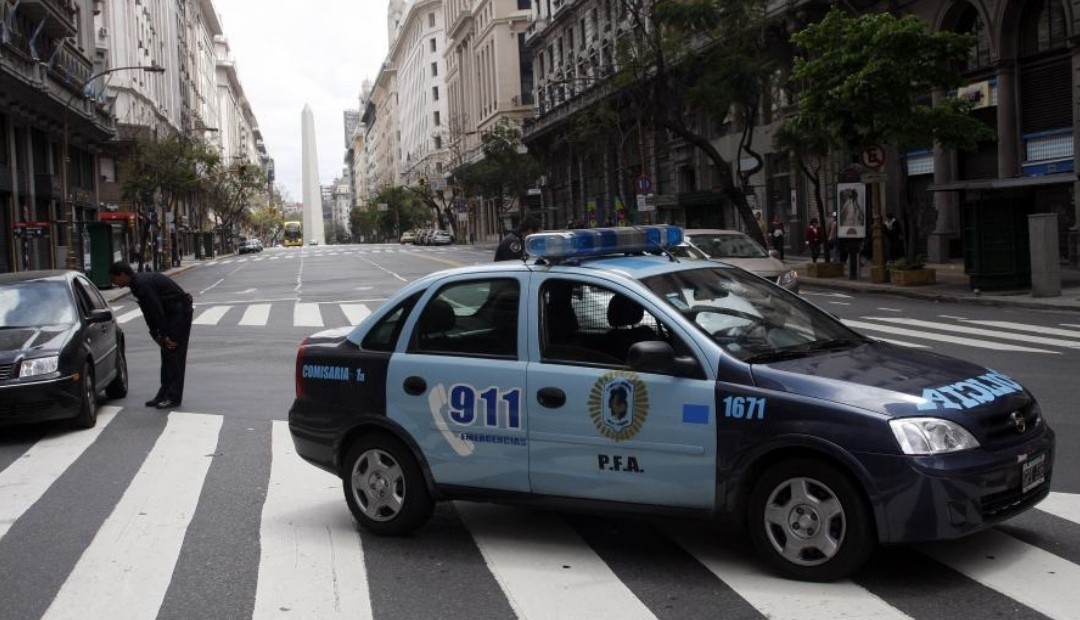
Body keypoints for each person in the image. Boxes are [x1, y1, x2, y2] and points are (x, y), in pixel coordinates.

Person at [108, 261, 194, 409]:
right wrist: (156, 335)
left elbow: (156, 310)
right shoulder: (136, 284)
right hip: (171, 314)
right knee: (167, 353)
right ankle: (164, 393)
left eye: (114, 278)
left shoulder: (142, 284)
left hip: (179, 313)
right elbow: (148, 312)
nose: (114, 282)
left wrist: (164, 334)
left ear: (122, 275)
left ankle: (173, 397)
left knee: (174, 354)